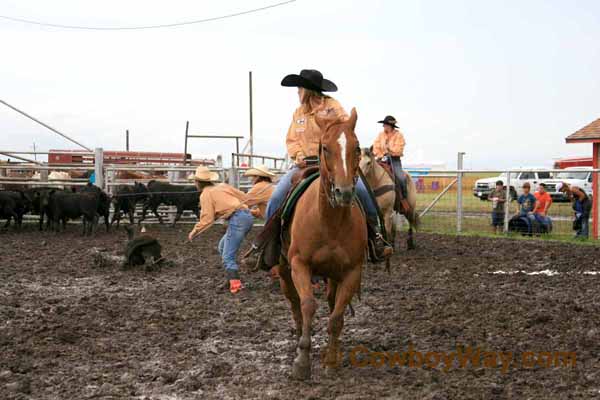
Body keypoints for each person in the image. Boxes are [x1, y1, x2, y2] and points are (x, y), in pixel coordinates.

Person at [246, 69, 392, 265]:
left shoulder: (333, 107)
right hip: (304, 164)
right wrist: (297, 155)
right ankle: (266, 245)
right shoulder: (298, 113)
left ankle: (376, 238)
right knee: (276, 198)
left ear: (309, 89)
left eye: (299, 87)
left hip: (333, 163)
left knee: (363, 193)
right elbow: (292, 139)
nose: (297, 91)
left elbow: (346, 129)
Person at [187, 166, 254, 294]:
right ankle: (230, 279)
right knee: (222, 247)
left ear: (198, 182)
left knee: (227, 255)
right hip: (246, 216)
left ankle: (236, 284)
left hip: (237, 219)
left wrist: (195, 231)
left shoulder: (205, 194)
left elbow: (207, 218)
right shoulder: (223, 186)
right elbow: (245, 197)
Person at [372, 115, 408, 205]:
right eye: (384, 125)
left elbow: (399, 149)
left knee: (401, 178)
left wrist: (390, 151)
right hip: (381, 159)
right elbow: (376, 147)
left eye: (385, 125)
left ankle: (404, 199)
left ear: (390, 126)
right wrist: (381, 154)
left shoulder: (399, 135)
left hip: (394, 160)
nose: (383, 126)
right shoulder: (380, 135)